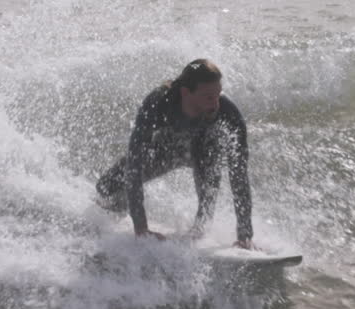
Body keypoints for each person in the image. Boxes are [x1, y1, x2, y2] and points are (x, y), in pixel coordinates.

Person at [96, 59, 255, 249]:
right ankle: (120, 211)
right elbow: (134, 163)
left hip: (205, 151)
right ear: (186, 92)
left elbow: (239, 176)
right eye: (208, 97)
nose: (215, 104)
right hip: (167, 150)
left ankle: (200, 232)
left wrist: (245, 233)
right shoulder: (159, 103)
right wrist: (141, 227)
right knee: (105, 187)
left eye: (218, 95)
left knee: (209, 157)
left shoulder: (229, 113)